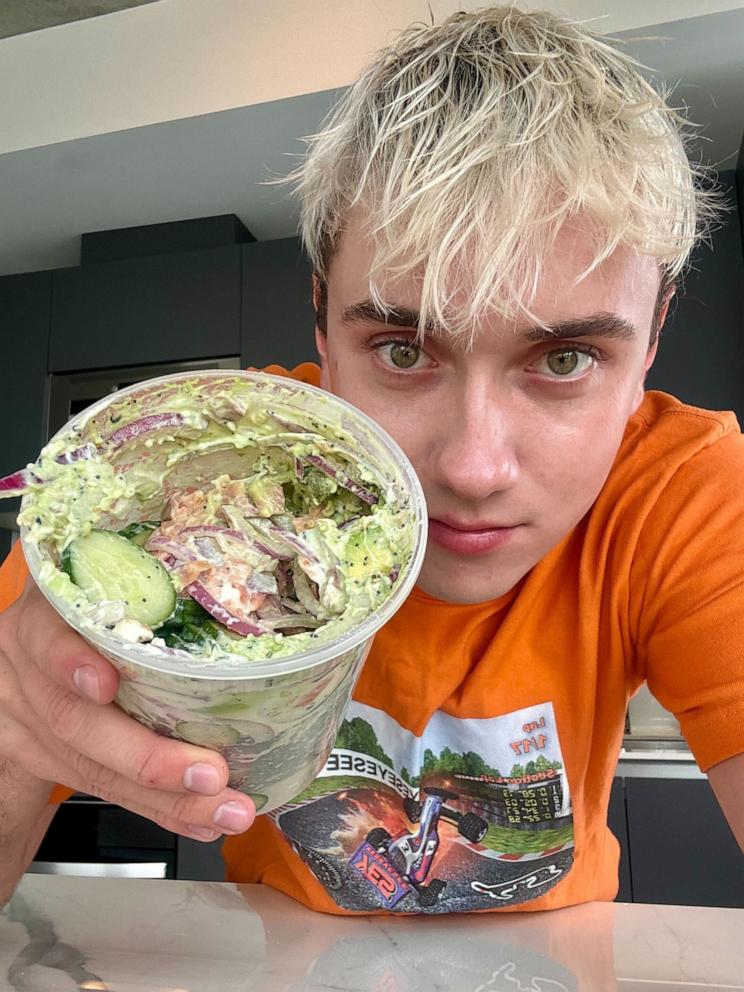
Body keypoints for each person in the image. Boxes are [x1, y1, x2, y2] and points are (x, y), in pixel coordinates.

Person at [1, 6, 742, 914]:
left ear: (653, 342)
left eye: (564, 360)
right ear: (322, 321)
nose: (473, 467)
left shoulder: (688, 492)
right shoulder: (178, 489)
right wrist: (15, 748)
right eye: (402, 349)